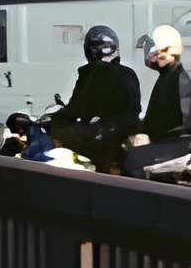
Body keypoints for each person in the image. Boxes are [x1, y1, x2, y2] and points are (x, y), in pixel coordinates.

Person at [44, 24, 144, 173]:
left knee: (58, 139)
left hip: (104, 138)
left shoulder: (92, 72)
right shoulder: (129, 73)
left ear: (90, 50)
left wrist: (52, 122)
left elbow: (77, 108)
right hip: (122, 134)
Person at [136, 23, 191, 143]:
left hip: (168, 148)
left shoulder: (177, 78)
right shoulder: (169, 76)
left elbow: (184, 124)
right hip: (165, 145)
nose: (150, 57)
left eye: (154, 51)